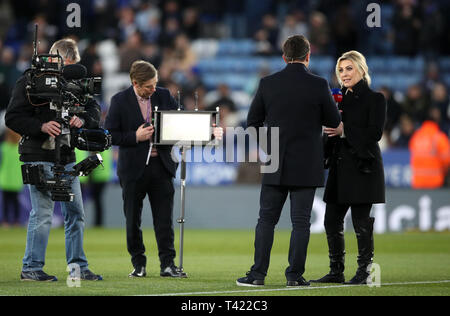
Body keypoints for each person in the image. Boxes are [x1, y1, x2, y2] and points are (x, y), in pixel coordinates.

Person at [236, 35, 341, 287]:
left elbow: (252, 123)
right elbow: (333, 122)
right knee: (301, 223)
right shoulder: (319, 85)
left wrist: (269, 147)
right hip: (307, 164)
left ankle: (257, 275)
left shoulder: (268, 83)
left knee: (266, 220)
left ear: (284, 57)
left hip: (275, 162)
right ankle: (294, 277)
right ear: (308, 56)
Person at [105, 60, 222, 278]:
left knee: (164, 220)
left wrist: (208, 131)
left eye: (155, 84)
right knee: (132, 220)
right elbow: (109, 135)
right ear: (135, 83)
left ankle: (167, 265)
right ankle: (138, 264)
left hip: (162, 167)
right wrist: (134, 136)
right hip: (132, 170)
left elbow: (183, 124)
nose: (153, 89)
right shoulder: (119, 101)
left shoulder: (164, 95)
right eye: (148, 86)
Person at [5, 38, 103, 282]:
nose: (69, 73)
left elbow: (93, 107)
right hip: (39, 154)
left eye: (73, 67)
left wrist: (84, 120)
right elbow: (12, 117)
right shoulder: (30, 81)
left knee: (76, 213)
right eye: (67, 66)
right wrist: (41, 125)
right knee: (43, 213)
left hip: (67, 156)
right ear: (55, 59)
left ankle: (77, 267)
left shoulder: (77, 83)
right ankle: (31, 267)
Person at [312, 50, 386, 285]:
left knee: (361, 223)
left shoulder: (376, 99)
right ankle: (336, 271)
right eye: (341, 70)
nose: (344, 74)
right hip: (340, 167)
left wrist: (345, 130)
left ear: (362, 70)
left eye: (349, 68)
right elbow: (332, 134)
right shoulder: (337, 100)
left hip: (363, 167)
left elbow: (375, 133)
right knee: (331, 221)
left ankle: (364, 272)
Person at [409, 108, 450, 189]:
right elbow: (447, 161)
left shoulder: (416, 137)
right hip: (435, 182)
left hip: (418, 182)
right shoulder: (439, 137)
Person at [0, 128, 23, 227]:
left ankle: (5, 221)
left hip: (5, 179)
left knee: (6, 202)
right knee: (15, 202)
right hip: (17, 180)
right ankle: (16, 221)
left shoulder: (3, 147)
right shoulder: (20, 148)